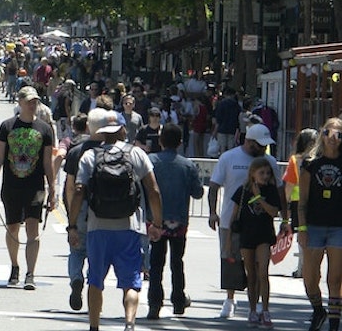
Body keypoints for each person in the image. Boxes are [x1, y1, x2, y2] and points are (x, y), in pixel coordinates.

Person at [68, 111, 163, 331]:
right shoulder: (136, 154)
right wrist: (157, 224)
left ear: (100, 133)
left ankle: (94, 326)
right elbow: (153, 190)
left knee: (95, 281)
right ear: (123, 130)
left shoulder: (90, 157)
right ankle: (129, 323)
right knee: (131, 282)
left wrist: (72, 225)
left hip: (97, 227)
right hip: (129, 227)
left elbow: (79, 191)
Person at [207, 123, 286, 319]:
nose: (262, 149)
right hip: (232, 220)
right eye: (259, 144)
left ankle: (257, 304)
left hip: (259, 223)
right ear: (248, 141)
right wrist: (212, 212)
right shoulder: (229, 157)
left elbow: (279, 190)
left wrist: (285, 217)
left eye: (264, 145)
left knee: (259, 267)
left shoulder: (269, 162)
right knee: (231, 260)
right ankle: (230, 299)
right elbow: (214, 185)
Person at [0, 86, 56, 290]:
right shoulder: (7, 127)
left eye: (35, 101)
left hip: (35, 186)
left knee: (32, 228)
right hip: (12, 185)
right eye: (29, 101)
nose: (33, 105)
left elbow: (47, 161)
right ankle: (15, 265)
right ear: (20, 103)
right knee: (13, 227)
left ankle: (30, 273)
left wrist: (52, 188)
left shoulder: (44, 129)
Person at [146, 124, 203, 319]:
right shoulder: (187, 165)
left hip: (156, 220)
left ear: (160, 141)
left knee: (156, 262)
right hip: (179, 221)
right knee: (177, 261)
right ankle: (178, 299)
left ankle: (154, 303)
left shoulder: (150, 161)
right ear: (180, 143)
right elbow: (198, 192)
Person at [225, 157, 280, 329]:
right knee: (251, 275)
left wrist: (259, 198)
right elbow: (234, 217)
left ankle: (265, 310)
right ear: (252, 174)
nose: (264, 176)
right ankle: (252, 310)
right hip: (247, 236)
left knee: (263, 272)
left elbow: (273, 212)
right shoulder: (243, 191)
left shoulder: (270, 190)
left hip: (264, 235)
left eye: (267, 173)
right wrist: (228, 242)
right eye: (261, 173)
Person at [299, 118, 342, 331]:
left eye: (339, 135)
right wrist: (302, 227)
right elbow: (302, 199)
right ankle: (318, 310)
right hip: (314, 225)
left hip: (338, 226)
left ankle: (334, 324)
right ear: (322, 134)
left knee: (335, 279)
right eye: (328, 133)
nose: (333, 139)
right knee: (310, 278)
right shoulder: (310, 162)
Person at [62, 111, 100, 311]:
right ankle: (95, 287)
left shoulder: (76, 152)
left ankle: (76, 278)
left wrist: (71, 220)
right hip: (104, 210)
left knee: (76, 249)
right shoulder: (108, 150)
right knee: (98, 253)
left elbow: (70, 188)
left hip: (81, 205)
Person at [282, 128, 318, 279]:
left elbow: (289, 186)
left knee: (302, 238)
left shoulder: (295, 160)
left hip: (298, 203)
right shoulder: (319, 159)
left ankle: (302, 268)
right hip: (316, 202)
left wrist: (284, 207)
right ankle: (310, 268)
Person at [212, 87, 241, 156]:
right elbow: (238, 120)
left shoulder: (221, 104)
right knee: (231, 149)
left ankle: (222, 162)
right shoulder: (236, 105)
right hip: (232, 129)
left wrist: (215, 131)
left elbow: (218, 119)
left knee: (222, 148)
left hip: (222, 129)